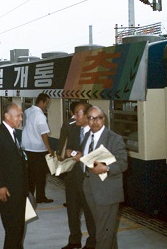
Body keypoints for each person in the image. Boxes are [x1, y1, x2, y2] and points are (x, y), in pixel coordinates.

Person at [82, 106, 128, 249]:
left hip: (107, 190)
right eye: (90, 118)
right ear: (87, 120)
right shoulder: (87, 136)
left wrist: (107, 168)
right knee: (105, 229)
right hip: (90, 187)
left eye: (98, 118)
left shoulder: (114, 138)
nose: (94, 121)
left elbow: (123, 163)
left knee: (102, 232)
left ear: (104, 119)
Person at [0, 103, 28, 249]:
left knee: (18, 227)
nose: (21, 119)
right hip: (8, 190)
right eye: (18, 116)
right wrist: (0, 186)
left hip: (17, 189)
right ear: (7, 116)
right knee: (12, 229)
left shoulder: (11, 133)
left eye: (21, 115)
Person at [61, 102, 96, 249]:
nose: (74, 116)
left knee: (90, 214)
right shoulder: (73, 129)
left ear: (87, 115)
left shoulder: (96, 133)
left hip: (89, 180)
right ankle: (74, 240)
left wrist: (82, 156)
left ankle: (93, 242)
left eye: (77, 113)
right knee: (72, 212)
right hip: (73, 178)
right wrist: (71, 153)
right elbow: (67, 151)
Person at [22, 93, 54, 203]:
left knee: (29, 175)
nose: (47, 106)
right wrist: (50, 149)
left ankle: (29, 198)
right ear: (41, 102)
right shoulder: (40, 116)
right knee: (40, 175)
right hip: (38, 150)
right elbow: (44, 135)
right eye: (47, 103)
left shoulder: (27, 111)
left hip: (26, 148)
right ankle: (40, 197)